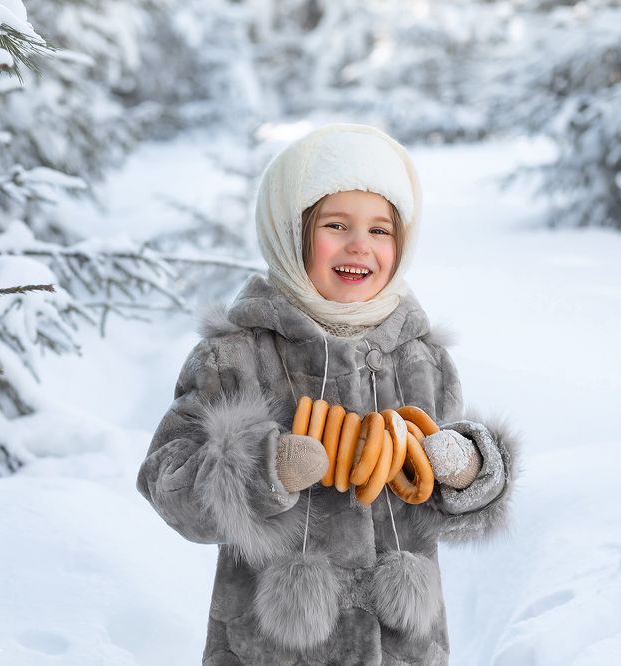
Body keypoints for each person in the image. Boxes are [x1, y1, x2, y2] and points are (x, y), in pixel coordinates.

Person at [136, 123, 518, 665]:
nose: (360, 245)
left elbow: (439, 495)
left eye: (381, 230)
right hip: (272, 647)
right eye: (336, 224)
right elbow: (165, 482)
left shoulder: (420, 356)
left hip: (401, 646)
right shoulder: (236, 354)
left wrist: (469, 468)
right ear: (291, 233)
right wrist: (262, 469)